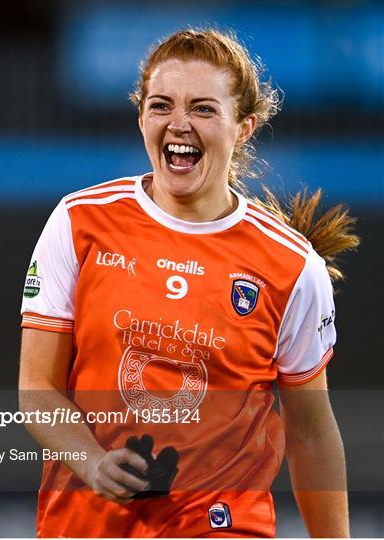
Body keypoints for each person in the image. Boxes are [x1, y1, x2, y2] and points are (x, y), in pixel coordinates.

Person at [19, 29, 359, 538]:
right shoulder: (78, 223)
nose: (179, 124)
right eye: (161, 105)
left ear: (244, 127)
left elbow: (311, 433)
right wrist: (92, 465)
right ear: (141, 118)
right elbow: (37, 389)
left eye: (203, 108)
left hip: (222, 522)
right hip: (85, 524)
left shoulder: (292, 266)